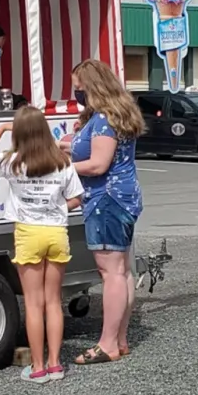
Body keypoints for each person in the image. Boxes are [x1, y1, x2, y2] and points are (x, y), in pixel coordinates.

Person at [0, 107, 84, 382]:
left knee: (34, 304)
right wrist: (58, 208)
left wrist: (2, 128)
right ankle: (56, 365)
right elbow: (77, 197)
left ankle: (37, 368)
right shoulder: (62, 162)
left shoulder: (13, 162)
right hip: (56, 233)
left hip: (28, 233)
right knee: (54, 302)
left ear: (20, 132)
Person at [64, 59, 145, 364]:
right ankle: (119, 339)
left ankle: (107, 343)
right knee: (122, 272)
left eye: (79, 88)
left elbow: (98, 164)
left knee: (111, 273)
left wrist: (61, 168)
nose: (77, 93)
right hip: (123, 198)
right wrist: (69, 146)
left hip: (105, 201)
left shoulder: (102, 119)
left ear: (92, 86)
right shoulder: (116, 114)